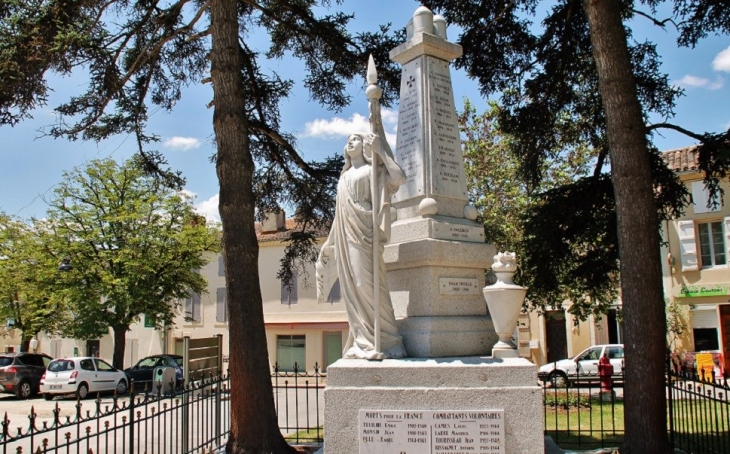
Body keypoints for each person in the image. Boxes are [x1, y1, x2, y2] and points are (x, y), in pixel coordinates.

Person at [316, 132, 407, 360]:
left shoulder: (372, 170)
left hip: (366, 231)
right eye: (347, 140)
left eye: (355, 139)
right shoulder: (343, 177)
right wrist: (329, 242)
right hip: (346, 235)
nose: (350, 142)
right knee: (352, 289)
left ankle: (388, 338)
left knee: (367, 283)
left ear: (364, 146)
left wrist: (382, 152)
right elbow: (339, 213)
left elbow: (399, 179)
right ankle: (363, 340)